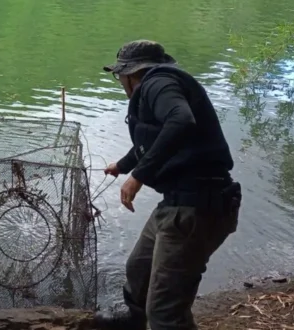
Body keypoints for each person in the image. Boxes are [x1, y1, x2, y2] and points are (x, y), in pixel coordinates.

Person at [94, 40, 243, 330]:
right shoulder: (158, 85)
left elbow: (180, 121)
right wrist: (123, 166)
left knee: (165, 311)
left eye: (119, 76)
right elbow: (154, 138)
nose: (120, 82)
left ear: (130, 74)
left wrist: (138, 177)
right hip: (177, 205)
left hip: (196, 208)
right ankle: (134, 320)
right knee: (139, 269)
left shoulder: (157, 84)